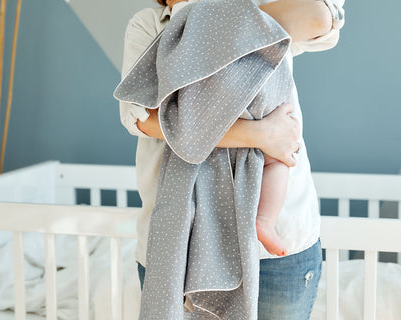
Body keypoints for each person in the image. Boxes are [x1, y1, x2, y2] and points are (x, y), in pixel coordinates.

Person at [118, 0, 345, 318]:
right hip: (180, 245)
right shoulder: (151, 25)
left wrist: (232, 18)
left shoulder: (259, 9)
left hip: (279, 247)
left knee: (277, 165)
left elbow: (321, 18)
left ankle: (264, 220)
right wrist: (261, 134)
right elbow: (140, 117)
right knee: (276, 154)